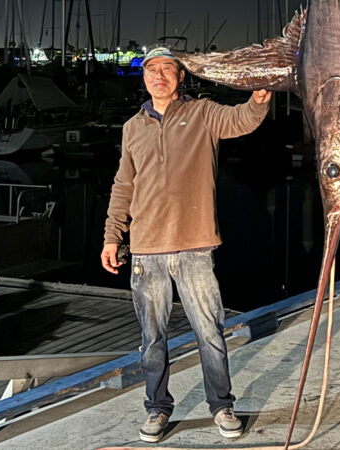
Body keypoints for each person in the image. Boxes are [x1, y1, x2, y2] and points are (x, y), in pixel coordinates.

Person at [101, 46, 271, 443]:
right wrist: (113, 237)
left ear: (180, 76)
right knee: (152, 339)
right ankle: (157, 409)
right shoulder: (132, 127)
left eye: (166, 69)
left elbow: (241, 120)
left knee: (210, 332)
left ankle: (221, 404)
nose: (158, 75)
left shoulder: (202, 113)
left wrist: (258, 99)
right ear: (143, 78)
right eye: (151, 70)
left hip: (194, 246)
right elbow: (123, 185)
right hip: (145, 250)